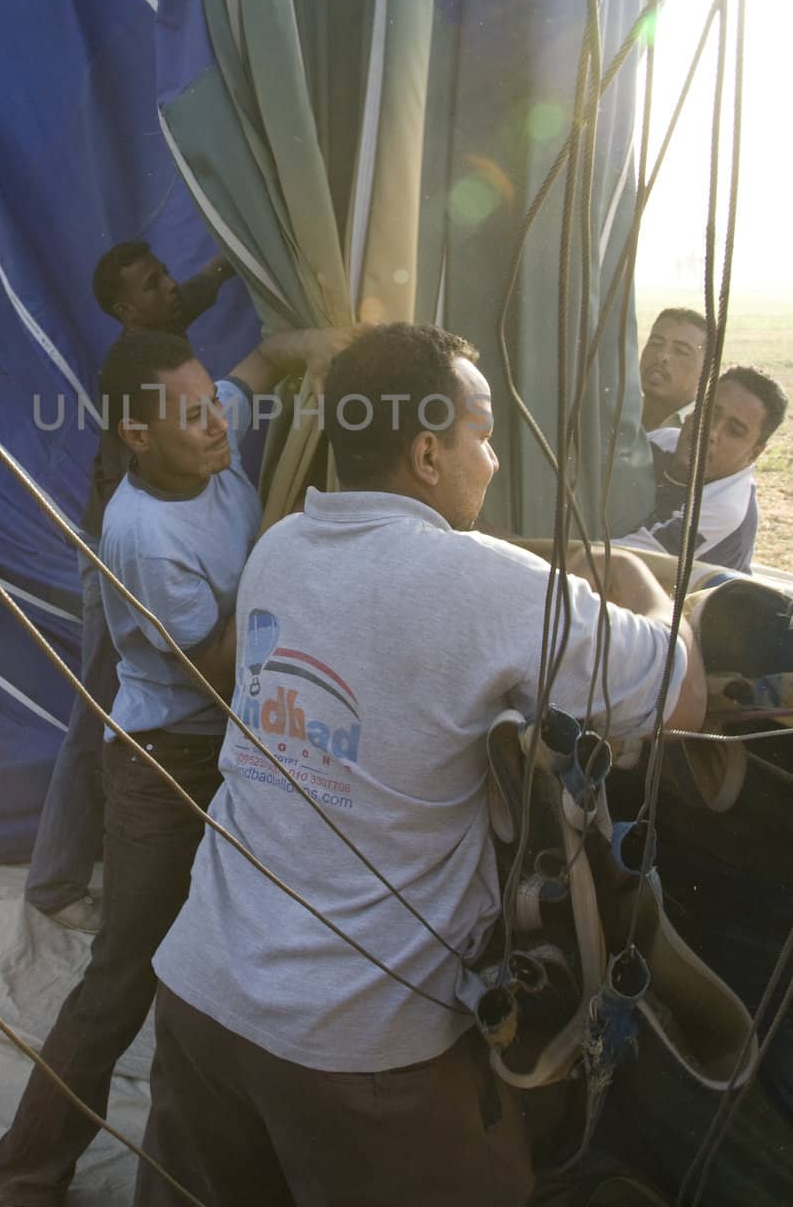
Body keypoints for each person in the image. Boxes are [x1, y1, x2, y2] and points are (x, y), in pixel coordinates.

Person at [134, 322, 706, 1207]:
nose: (495, 461)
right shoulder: (483, 586)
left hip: (201, 994)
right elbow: (682, 697)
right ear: (430, 454)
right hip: (352, 1044)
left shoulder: (280, 548)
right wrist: (637, 580)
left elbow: (404, 613)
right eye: (483, 436)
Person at [0, 320, 352, 1207]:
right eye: (194, 416)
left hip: (239, 740)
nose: (220, 424)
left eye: (212, 407)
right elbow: (220, 662)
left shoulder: (203, 431)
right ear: (137, 437)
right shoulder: (142, 534)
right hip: (168, 762)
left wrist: (324, 338)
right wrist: (299, 553)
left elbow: (257, 367)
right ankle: (23, 1175)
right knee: (123, 975)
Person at [25, 241, 236, 932]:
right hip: (117, 560)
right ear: (126, 310)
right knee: (96, 715)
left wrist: (214, 274)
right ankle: (54, 885)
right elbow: (136, 518)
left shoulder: (158, 330)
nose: (170, 288)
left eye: (168, 274)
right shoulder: (139, 368)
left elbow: (187, 300)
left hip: (130, 548)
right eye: (154, 284)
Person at [617, 364, 788, 573]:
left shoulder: (726, 506)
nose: (712, 432)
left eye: (734, 431)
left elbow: (624, 558)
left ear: (754, 453)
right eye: (710, 413)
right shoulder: (661, 442)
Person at [639, 307, 707, 432]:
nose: (662, 356)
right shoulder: (615, 411)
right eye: (655, 344)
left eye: (680, 351)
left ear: (706, 369)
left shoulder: (702, 434)